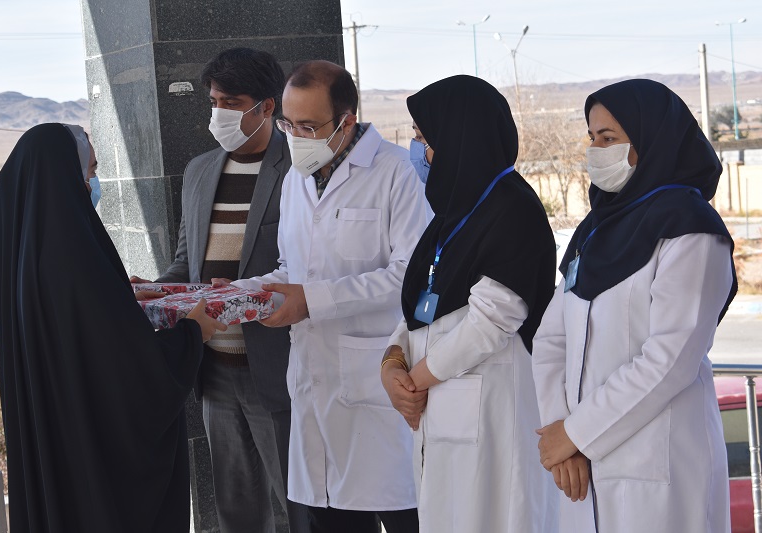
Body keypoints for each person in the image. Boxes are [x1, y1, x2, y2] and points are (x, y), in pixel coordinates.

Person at [0, 123, 226, 533]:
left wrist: (120, 300)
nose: (92, 184)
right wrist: (192, 333)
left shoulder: (26, 257)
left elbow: (78, 328)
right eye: (89, 171)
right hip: (94, 467)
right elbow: (128, 370)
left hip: (59, 446)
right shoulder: (74, 254)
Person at [229, 60, 427, 533]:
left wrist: (311, 301)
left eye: (309, 127)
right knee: (329, 516)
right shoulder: (296, 178)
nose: (296, 137)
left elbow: (410, 276)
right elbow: (293, 269)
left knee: (402, 511)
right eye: (288, 125)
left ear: (347, 122)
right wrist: (241, 293)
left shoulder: (397, 173)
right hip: (313, 380)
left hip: (376, 379)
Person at [532, 79, 737, 533]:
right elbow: (550, 339)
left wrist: (577, 434)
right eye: (592, 137)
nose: (595, 151)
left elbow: (670, 360)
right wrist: (561, 434)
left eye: (608, 138)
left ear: (651, 140)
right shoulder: (594, 230)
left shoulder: (692, 230)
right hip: (581, 472)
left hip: (660, 469)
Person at [129, 48, 307, 533]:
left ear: (266, 107)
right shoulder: (200, 171)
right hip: (215, 372)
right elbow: (187, 263)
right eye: (214, 101)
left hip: (281, 368)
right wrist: (155, 291)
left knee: (302, 505)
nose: (219, 113)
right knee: (236, 511)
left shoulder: (299, 170)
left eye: (232, 102)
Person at [380, 75, 558, 533]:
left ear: (459, 136)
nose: (419, 150)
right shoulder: (453, 211)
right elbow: (420, 301)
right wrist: (392, 360)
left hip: (489, 413)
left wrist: (416, 381)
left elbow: (494, 320)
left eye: (424, 137)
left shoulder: (513, 208)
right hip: (439, 408)